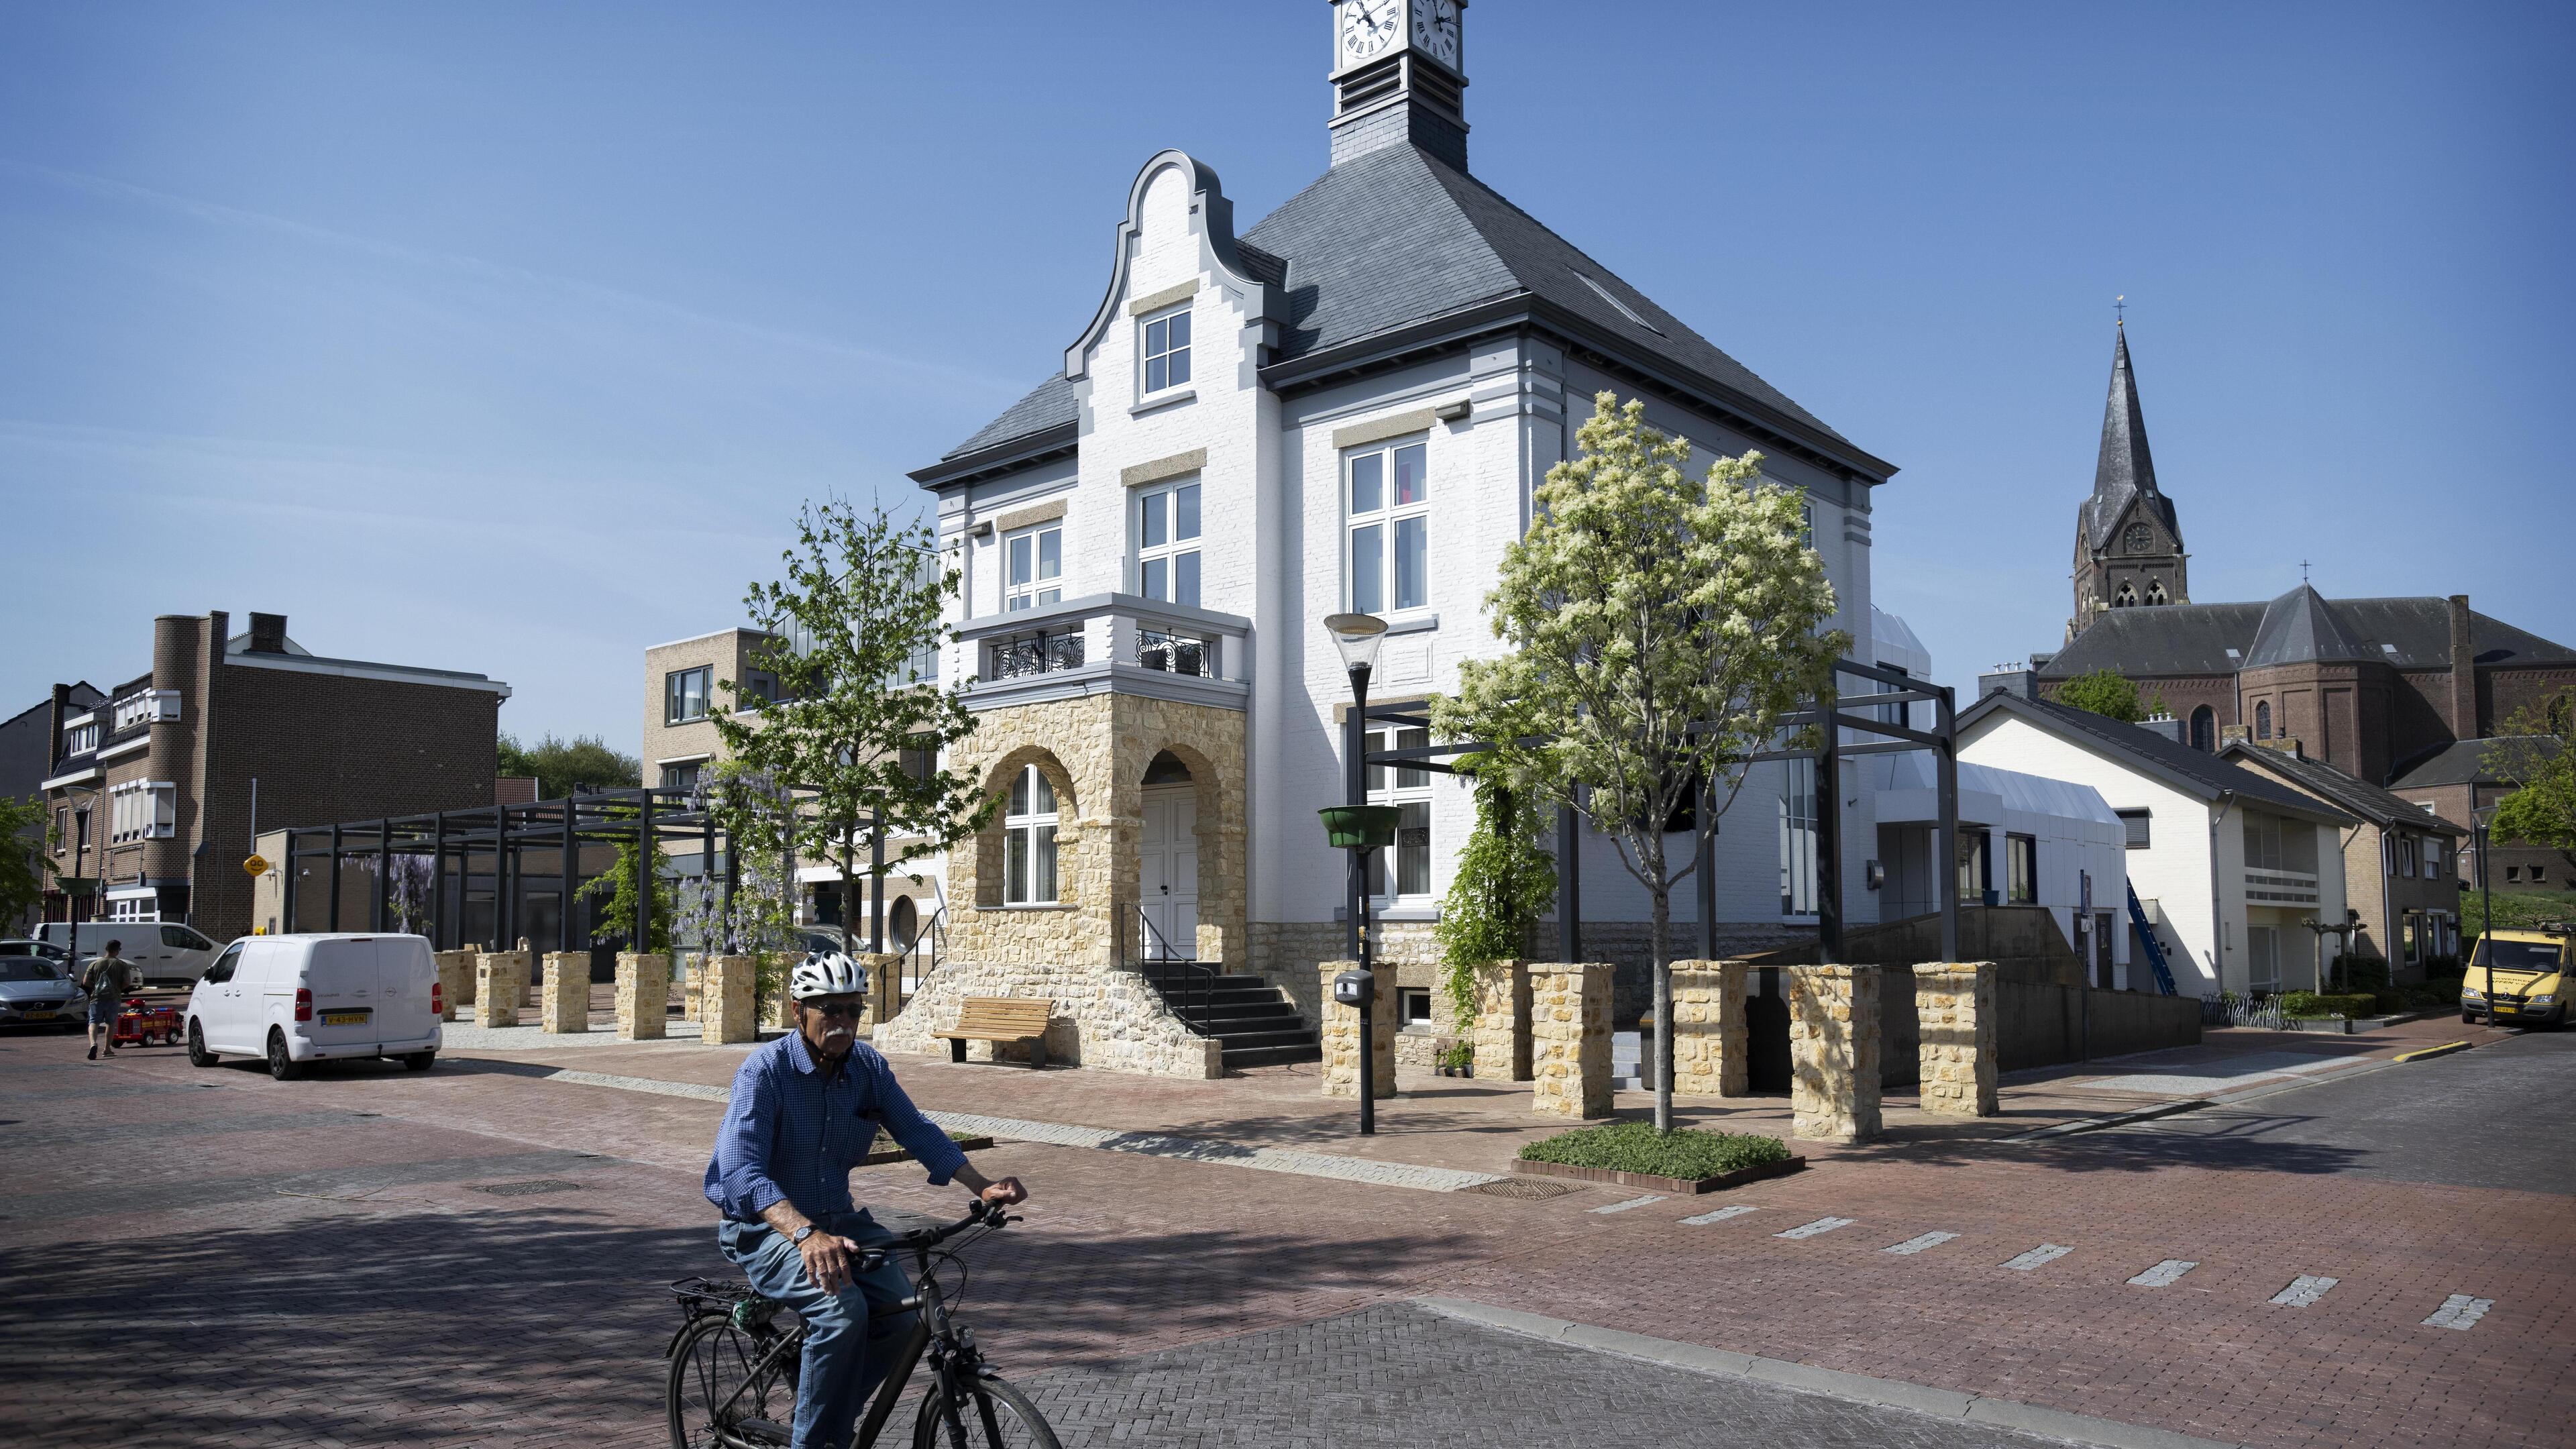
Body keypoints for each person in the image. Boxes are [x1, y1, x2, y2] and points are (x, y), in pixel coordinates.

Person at [704, 951, 1028, 1449]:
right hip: (766, 1229)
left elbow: (916, 1130)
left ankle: (823, 1416)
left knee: (905, 1316)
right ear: (798, 1012)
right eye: (829, 1010)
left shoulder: (867, 1067)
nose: (842, 1022)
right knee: (842, 1311)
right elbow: (740, 1171)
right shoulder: (763, 1073)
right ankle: (817, 1439)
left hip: (842, 1224)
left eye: (852, 1011)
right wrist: (805, 1234)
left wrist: (979, 1185)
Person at [82, 939, 136, 1061]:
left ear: (106, 949)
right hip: (114, 998)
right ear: (117, 951)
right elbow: (127, 982)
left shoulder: (95, 964)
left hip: (97, 997)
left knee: (94, 1021)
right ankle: (107, 1049)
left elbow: (85, 982)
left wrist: (95, 987)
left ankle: (93, 1044)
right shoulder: (122, 965)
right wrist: (118, 989)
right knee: (110, 1023)